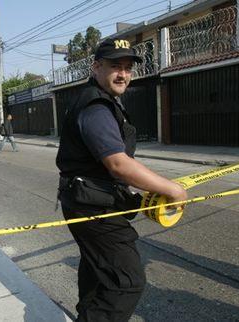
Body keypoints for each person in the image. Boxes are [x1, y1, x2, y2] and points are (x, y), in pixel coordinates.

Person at [56, 38, 188, 322]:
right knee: (125, 282)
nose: (123, 74)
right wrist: (172, 189)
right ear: (96, 67)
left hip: (87, 199)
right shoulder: (96, 106)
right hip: (94, 208)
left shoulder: (98, 100)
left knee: (97, 267)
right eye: (116, 66)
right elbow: (118, 164)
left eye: (128, 68)